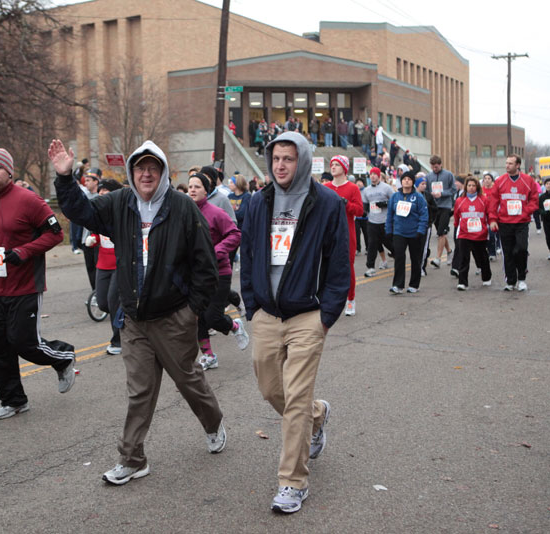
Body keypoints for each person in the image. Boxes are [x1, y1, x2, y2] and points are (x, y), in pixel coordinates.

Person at [52, 138, 226, 486]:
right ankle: (132, 459)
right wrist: (65, 177)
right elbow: (79, 211)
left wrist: (193, 311)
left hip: (175, 316)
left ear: (162, 172)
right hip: (135, 320)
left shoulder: (182, 207)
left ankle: (213, 422)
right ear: (131, 173)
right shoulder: (120, 204)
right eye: (140, 168)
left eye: (153, 167)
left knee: (189, 381)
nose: (146, 174)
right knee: (139, 392)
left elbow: (206, 264)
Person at [240, 131, 350, 514]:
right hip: (267, 313)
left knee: (296, 396)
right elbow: (249, 250)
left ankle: (292, 482)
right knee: (272, 389)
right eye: (276, 159)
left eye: (288, 159)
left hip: (307, 315)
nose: (281, 166)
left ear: (302, 160)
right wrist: (251, 303)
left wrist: (327, 316)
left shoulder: (327, 203)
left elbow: (339, 264)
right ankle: (318, 418)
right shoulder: (258, 201)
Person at [0, 147, 76, 419]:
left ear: (9, 171)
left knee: (23, 342)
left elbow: (56, 234)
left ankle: (63, 357)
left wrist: (23, 252)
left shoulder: (29, 200)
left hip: (25, 285)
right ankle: (14, 399)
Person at [187, 171, 248, 370]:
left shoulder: (216, 213)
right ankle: (209, 356)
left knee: (212, 317)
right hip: (195, 276)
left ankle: (235, 326)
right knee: (197, 318)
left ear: (207, 190)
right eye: (190, 186)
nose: (192, 190)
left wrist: (216, 251)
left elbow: (235, 234)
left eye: (197, 186)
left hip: (219, 273)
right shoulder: (184, 213)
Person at [486, 155, 539, 291]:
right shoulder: (500, 181)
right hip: (504, 222)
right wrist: (492, 219)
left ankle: (521, 278)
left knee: (520, 249)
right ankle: (510, 281)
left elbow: (534, 200)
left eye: (510, 163)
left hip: (522, 222)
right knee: (508, 252)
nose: (507, 166)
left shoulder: (527, 180)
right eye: (506, 163)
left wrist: (525, 211)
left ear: (518, 165)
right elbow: (493, 202)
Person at [325, 155, 363, 315]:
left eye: (337, 165)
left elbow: (360, 211)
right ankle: (330, 300)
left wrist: (346, 204)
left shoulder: (352, 188)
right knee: (327, 268)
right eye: (332, 164)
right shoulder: (326, 187)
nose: (333, 167)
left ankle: (350, 300)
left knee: (347, 267)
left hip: (347, 232)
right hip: (329, 233)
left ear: (344, 169)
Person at [89, 178, 124, 355]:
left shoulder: (121, 212)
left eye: (105, 195)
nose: (101, 198)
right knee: (103, 303)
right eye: (99, 195)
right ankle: (126, 319)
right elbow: (94, 230)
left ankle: (118, 340)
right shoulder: (99, 214)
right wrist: (93, 239)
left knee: (113, 300)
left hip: (120, 264)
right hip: (103, 263)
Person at [385, 171, 428, 293]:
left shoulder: (419, 197)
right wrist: (388, 230)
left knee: (415, 259)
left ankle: (414, 284)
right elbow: (389, 215)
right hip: (399, 232)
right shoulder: (395, 196)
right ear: (401, 181)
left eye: (409, 179)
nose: (407, 181)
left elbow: (424, 215)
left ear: (413, 182)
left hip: (414, 233)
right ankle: (398, 285)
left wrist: (420, 230)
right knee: (399, 257)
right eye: (404, 179)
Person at [452, 176, 492, 290]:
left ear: (477, 187)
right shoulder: (460, 200)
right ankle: (462, 282)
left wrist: (491, 225)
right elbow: (456, 216)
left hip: (480, 234)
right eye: (469, 185)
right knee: (464, 258)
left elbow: (489, 214)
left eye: (473, 185)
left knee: (482, 257)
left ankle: (486, 277)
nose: (471, 188)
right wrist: (456, 227)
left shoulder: (484, 200)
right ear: (466, 187)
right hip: (464, 234)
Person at [425, 155, 456, 268]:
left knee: (441, 232)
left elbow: (453, 189)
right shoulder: (428, 176)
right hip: (434, 207)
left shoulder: (448, 175)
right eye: (433, 167)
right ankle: (449, 251)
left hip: (445, 206)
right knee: (440, 232)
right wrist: (430, 196)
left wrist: (442, 193)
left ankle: (437, 258)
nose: (435, 169)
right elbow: (427, 191)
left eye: (436, 167)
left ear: (440, 164)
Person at [361, 167, 394, 276]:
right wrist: (364, 211)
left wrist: (385, 204)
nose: (373, 176)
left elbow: (395, 201)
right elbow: (365, 204)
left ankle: (396, 254)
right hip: (372, 221)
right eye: (371, 174)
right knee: (372, 245)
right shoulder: (366, 190)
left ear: (379, 176)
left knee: (388, 243)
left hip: (385, 221)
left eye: (375, 174)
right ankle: (370, 267)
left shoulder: (387, 188)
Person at [416, 176, 438, 277]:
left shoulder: (428, 196)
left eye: (425, 184)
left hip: (426, 225)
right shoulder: (412, 195)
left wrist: (431, 220)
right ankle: (415, 266)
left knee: (424, 248)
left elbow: (435, 208)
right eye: (422, 184)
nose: (424, 186)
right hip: (413, 226)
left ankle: (421, 267)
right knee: (415, 248)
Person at [482, 173, 501, 261]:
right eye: (485, 178)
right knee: (485, 235)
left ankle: (493, 252)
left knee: (492, 233)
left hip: (493, 214)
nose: (487, 180)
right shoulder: (481, 191)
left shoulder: (495, 190)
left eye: (489, 178)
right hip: (483, 215)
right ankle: (488, 250)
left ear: (492, 180)